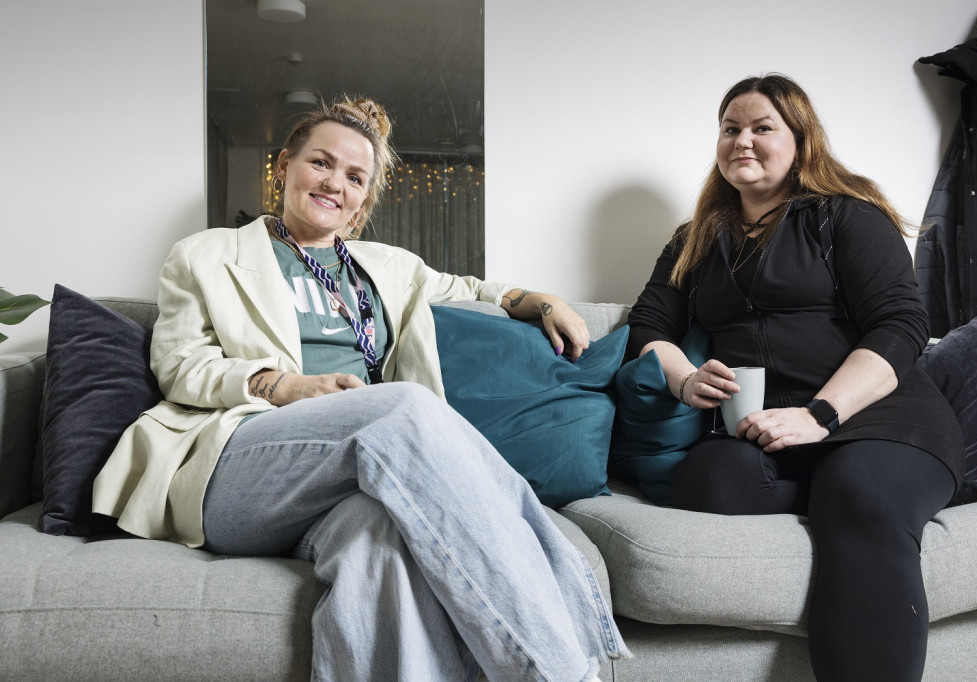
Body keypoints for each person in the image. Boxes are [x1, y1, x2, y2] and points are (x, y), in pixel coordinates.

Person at [92, 96, 628, 681]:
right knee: (401, 407)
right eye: (320, 164)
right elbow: (179, 364)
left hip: (352, 476)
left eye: (354, 177)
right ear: (284, 166)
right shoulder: (207, 254)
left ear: (364, 200)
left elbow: (474, 286)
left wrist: (540, 302)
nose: (334, 184)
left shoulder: (388, 266)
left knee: (378, 541)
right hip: (238, 461)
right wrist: (282, 385)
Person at [626, 74, 964, 681]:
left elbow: (901, 324)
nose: (742, 141)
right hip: (765, 432)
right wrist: (682, 379)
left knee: (857, 494)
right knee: (708, 483)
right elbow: (649, 323)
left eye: (762, 128)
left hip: (875, 421)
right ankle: (838, 491)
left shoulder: (847, 216)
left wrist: (820, 416)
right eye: (731, 129)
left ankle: (867, 495)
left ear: (801, 141)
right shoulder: (697, 237)